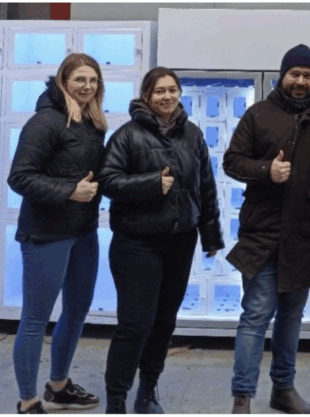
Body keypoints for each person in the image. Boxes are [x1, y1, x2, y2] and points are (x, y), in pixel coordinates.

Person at [223, 44, 310, 414]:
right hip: (262, 234)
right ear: (283, 76)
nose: (300, 81)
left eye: (307, 75)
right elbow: (232, 161)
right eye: (294, 74)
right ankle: (242, 398)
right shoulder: (258, 114)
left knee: (292, 318)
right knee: (255, 315)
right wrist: (267, 170)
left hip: (305, 235)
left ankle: (283, 390)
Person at [97, 67, 225, 414]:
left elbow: (206, 187)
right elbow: (107, 181)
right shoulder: (127, 135)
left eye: (172, 90)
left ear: (179, 93)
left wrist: (211, 236)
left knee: (164, 321)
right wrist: (151, 184)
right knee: (135, 325)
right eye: (159, 91)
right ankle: (117, 400)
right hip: (136, 244)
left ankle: (148, 391)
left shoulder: (193, 135)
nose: (166, 97)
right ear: (146, 96)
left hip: (180, 243)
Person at [6, 53, 108, 414]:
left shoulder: (92, 122)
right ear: (63, 82)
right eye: (80, 79)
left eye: (93, 80)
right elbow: (19, 177)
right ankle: (28, 401)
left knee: (77, 311)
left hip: (83, 231)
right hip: (47, 233)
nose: (87, 86)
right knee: (36, 318)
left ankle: (59, 386)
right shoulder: (45, 122)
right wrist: (69, 191)